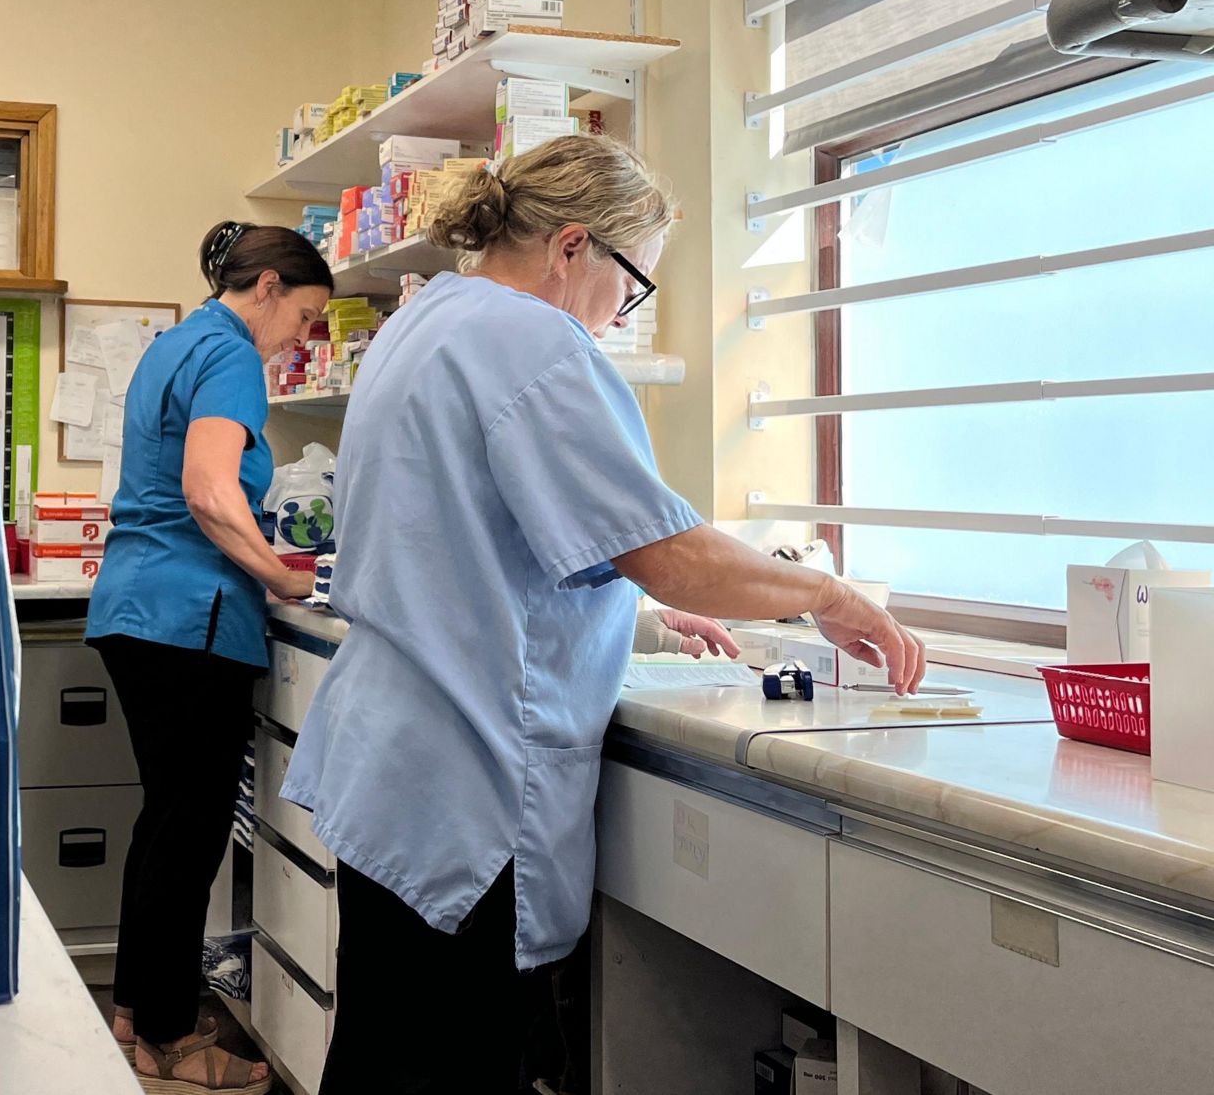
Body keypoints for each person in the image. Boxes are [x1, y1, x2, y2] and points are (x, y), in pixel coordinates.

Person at [280, 136, 925, 1095]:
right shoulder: (536, 344)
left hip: (393, 764)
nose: (624, 313)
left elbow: (477, 545)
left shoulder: (428, 319)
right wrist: (829, 593)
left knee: (382, 1051)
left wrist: (645, 624)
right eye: (632, 284)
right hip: (466, 783)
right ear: (573, 247)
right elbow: (670, 553)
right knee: (447, 1065)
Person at [86, 220, 332, 1094]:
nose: (300, 338)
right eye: (303, 316)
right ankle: (173, 1042)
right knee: (186, 835)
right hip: (188, 614)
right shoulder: (230, 356)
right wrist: (282, 577)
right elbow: (208, 486)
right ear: (265, 286)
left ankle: (136, 1018)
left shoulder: (174, 343)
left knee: (165, 823)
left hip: (136, 605)